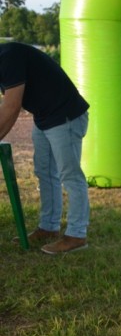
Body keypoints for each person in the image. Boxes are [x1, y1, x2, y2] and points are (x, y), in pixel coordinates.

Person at [0, 42, 91, 254]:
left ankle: (77, 235)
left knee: (70, 176)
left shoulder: (8, 57)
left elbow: (12, 106)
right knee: (44, 172)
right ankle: (48, 227)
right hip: (45, 116)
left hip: (65, 116)